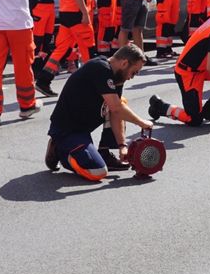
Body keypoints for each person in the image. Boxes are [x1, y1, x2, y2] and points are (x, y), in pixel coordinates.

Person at [45, 45, 152, 179]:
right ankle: (59, 150)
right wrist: (142, 123)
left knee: (120, 103)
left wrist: (122, 145)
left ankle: (103, 152)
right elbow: (116, 108)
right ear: (124, 63)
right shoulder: (99, 68)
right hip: (67, 130)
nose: (132, 77)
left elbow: (116, 111)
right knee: (98, 172)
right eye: (134, 72)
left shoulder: (117, 76)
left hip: (83, 129)